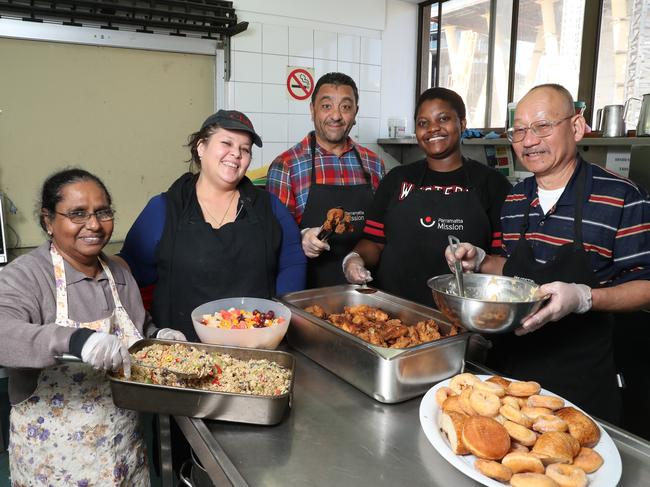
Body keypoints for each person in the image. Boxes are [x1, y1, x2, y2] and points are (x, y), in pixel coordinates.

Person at [446, 83, 650, 424]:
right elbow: (514, 273)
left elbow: (646, 287)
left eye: (542, 126)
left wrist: (584, 298)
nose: (528, 140)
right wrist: (481, 261)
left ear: (576, 126)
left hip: (581, 385)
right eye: (519, 130)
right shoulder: (516, 199)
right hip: (512, 375)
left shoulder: (622, 197)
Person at [0, 169, 181, 485]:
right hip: (55, 461)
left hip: (123, 447)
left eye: (103, 212)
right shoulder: (27, 275)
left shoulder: (119, 270)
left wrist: (158, 337)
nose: (94, 224)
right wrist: (75, 340)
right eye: (77, 214)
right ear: (48, 221)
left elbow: (138, 325)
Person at [117, 110, 306, 342]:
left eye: (245, 149)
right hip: (181, 349)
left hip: (256, 347)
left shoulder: (269, 207)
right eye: (226, 142)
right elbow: (131, 266)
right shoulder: (165, 208)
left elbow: (293, 261)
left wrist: (277, 322)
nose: (236, 154)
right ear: (201, 147)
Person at [342, 87, 511, 307]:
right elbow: (374, 242)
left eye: (443, 118)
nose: (433, 128)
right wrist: (355, 258)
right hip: (393, 312)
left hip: (462, 315)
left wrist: (480, 261)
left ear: (462, 123)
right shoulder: (397, 179)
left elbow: (503, 262)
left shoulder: (492, 184)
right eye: (423, 123)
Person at [267, 72, 385, 288]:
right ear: (312, 110)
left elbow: (381, 230)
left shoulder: (374, 163)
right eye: (326, 106)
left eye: (346, 107)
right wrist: (301, 237)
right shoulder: (286, 165)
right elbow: (273, 238)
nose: (336, 116)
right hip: (307, 292)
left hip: (365, 290)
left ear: (355, 112)